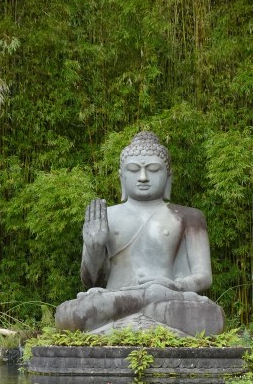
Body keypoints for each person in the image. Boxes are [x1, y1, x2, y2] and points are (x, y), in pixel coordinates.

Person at [54, 131, 224, 335]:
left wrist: (175, 286)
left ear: (168, 176)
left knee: (210, 316)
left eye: (153, 170)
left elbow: (204, 276)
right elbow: (91, 281)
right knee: (69, 314)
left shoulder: (189, 216)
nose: (143, 177)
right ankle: (147, 319)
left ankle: (120, 326)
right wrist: (94, 247)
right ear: (122, 176)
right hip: (115, 298)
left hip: (166, 298)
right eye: (134, 170)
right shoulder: (105, 216)